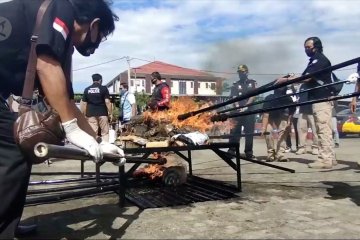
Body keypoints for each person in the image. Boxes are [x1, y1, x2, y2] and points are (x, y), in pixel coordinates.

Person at [0, 1, 125, 238]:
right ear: (94, 24)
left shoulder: (60, 42)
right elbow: (45, 66)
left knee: (20, 152)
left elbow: (64, 99)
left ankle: (8, 225)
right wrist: (70, 128)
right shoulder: (61, 8)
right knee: (13, 150)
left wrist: (97, 142)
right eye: (102, 36)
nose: (98, 44)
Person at [277, 37, 336, 169]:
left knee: (322, 129)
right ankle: (330, 158)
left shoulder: (319, 60)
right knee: (323, 129)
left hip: (322, 99)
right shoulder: (315, 60)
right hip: (317, 99)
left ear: (316, 47)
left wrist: (287, 80)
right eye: (305, 47)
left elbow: (307, 77)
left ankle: (325, 159)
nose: (306, 50)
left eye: (308, 47)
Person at [228, 64, 257, 160]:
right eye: (239, 72)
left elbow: (253, 96)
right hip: (237, 112)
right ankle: (232, 151)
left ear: (247, 72)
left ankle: (249, 152)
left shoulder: (252, 83)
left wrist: (246, 106)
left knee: (249, 133)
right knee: (235, 132)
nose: (241, 74)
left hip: (249, 111)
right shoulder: (235, 84)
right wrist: (237, 107)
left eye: (243, 72)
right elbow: (234, 97)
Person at [261, 87, 295, 162]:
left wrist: (289, 123)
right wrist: (263, 128)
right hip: (270, 116)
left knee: (284, 128)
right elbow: (266, 115)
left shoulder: (288, 99)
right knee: (267, 132)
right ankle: (270, 154)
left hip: (281, 115)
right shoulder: (269, 98)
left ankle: (280, 154)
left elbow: (291, 113)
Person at [82, 73, 112, 142]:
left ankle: (93, 149)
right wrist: (110, 113)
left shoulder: (87, 89)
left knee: (92, 133)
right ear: (100, 80)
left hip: (91, 113)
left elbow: (84, 103)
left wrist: (84, 113)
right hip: (103, 113)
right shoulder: (104, 88)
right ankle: (105, 149)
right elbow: (107, 102)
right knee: (105, 132)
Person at [296, 83, 319, 156]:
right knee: (301, 129)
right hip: (302, 110)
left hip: (312, 111)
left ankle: (316, 147)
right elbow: (298, 97)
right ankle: (302, 148)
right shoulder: (302, 86)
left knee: (315, 130)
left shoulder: (315, 84)